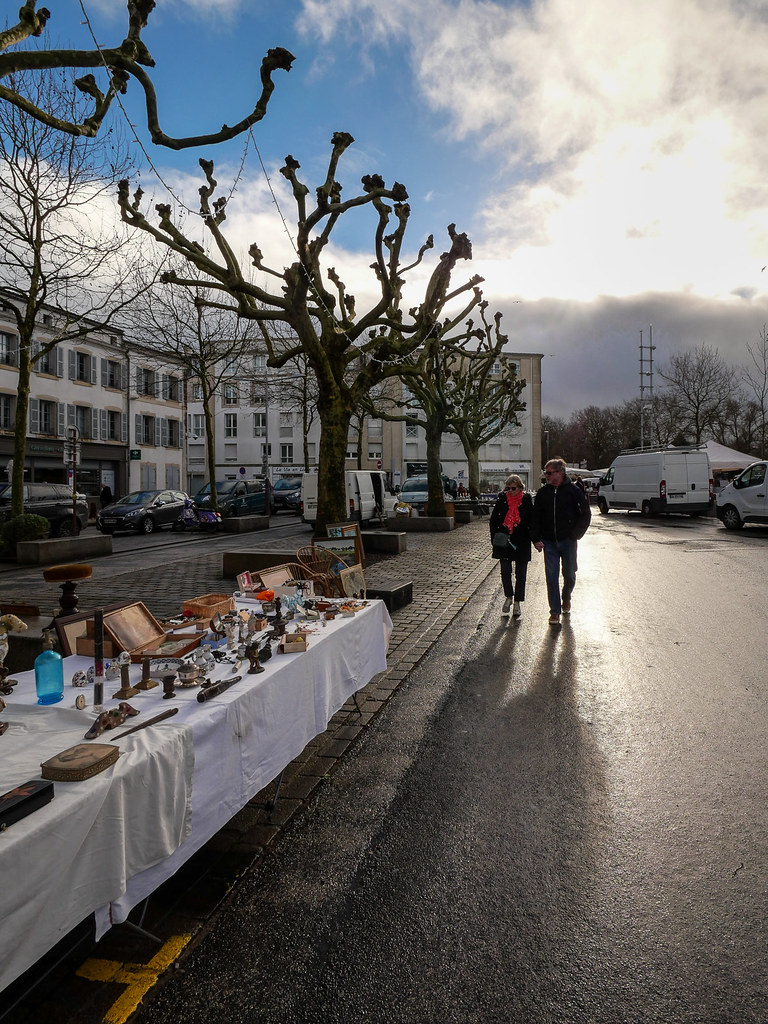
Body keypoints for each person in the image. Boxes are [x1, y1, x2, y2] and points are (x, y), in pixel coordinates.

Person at [530, 457, 591, 625]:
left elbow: (586, 513)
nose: (546, 476)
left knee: (570, 575)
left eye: (549, 473)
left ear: (560, 473)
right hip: (549, 542)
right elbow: (535, 517)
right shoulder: (543, 493)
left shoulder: (574, 490)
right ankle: (554, 611)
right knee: (551, 576)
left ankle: (566, 597)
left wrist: (576, 534)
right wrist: (535, 538)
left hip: (568, 540)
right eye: (545, 473)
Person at [489, 474, 533, 618]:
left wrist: (535, 538)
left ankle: (518, 603)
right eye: (508, 488)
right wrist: (495, 537)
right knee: (505, 572)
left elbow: (532, 522)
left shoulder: (526, 501)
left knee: (521, 575)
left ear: (520, 488)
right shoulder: (502, 500)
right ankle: (508, 597)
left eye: (513, 488)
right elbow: (493, 520)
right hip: (504, 542)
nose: (510, 491)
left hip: (521, 542)